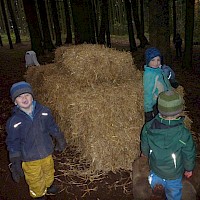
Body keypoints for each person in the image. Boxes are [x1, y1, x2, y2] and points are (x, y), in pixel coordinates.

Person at [6, 81, 67, 200]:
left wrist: (60, 138)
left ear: (32, 96)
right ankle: (38, 194)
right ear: (15, 102)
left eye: (27, 95)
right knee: (34, 178)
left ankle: (48, 185)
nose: (24, 98)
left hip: (46, 152)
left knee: (49, 171)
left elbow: (52, 126)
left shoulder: (44, 111)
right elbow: (13, 142)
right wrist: (15, 162)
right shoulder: (14, 122)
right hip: (29, 158)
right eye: (19, 96)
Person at [140, 90, 196, 200]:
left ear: (159, 109)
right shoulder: (183, 133)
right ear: (179, 111)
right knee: (174, 193)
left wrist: (144, 153)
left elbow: (145, 141)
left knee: (153, 184)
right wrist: (189, 168)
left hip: (155, 169)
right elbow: (189, 152)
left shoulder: (149, 127)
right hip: (173, 175)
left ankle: (156, 192)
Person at [143, 47, 172, 122]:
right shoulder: (149, 75)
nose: (156, 63)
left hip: (164, 99)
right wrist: (148, 110)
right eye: (153, 60)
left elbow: (166, 82)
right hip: (156, 103)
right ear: (148, 61)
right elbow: (148, 93)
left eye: (158, 60)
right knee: (158, 121)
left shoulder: (159, 70)